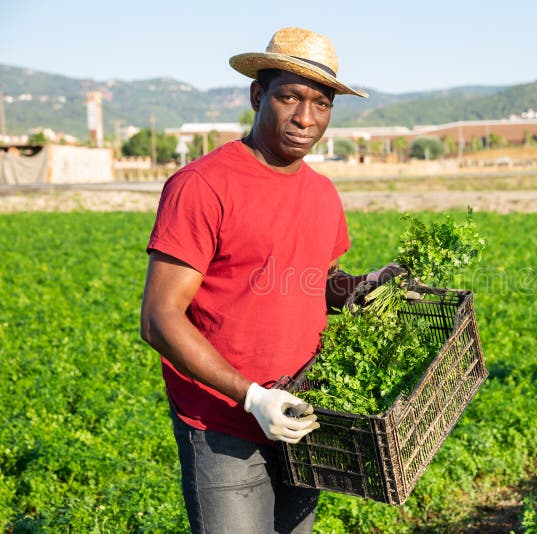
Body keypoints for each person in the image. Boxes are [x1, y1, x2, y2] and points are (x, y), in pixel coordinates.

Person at [140, 27, 399, 533]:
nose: (306, 118)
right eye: (290, 97)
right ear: (259, 96)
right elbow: (158, 318)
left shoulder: (323, 193)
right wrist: (253, 396)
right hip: (223, 423)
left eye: (321, 104)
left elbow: (318, 280)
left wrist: (367, 286)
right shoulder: (202, 185)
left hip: (301, 417)